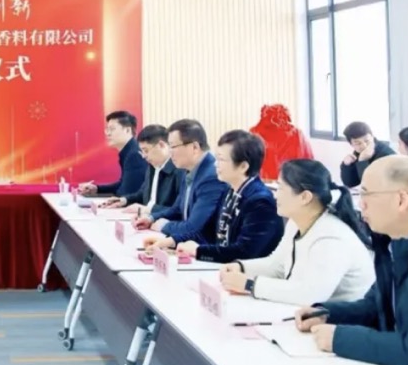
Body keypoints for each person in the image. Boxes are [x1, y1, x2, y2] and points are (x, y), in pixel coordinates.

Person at [296, 156, 408, 365]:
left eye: (366, 194)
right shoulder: (394, 242)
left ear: (401, 200)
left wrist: (341, 339)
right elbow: (378, 306)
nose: (360, 204)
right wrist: (328, 313)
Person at [217, 159, 374, 305]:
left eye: (281, 188)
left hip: (341, 321)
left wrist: (250, 285)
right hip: (311, 314)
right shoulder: (297, 222)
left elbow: (311, 294)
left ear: (305, 197)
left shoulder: (332, 238)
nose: (275, 195)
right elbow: (278, 266)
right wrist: (241, 267)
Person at [174, 130, 283, 263]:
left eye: (221, 159)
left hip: (245, 272)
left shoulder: (260, 202)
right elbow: (208, 232)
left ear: (243, 166)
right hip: (224, 267)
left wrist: (198, 251)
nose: (215, 164)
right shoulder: (229, 190)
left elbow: (244, 252)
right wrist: (172, 241)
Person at [136, 119, 227, 244]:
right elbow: (177, 209)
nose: (170, 152)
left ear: (194, 147)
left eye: (173, 146)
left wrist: (164, 226)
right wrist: (151, 218)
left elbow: (193, 228)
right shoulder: (188, 169)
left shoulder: (211, 176)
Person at [101, 124, 181, 215]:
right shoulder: (152, 167)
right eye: (142, 151)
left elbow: (178, 210)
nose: (143, 156)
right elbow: (143, 194)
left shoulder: (179, 170)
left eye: (146, 151)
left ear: (161, 145)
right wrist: (124, 200)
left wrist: (147, 210)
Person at [80, 111, 146, 197]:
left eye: (112, 129)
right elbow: (122, 184)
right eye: (107, 129)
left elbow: (126, 192)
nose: (108, 133)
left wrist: (101, 198)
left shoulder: (134, 155)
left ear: (127, 130)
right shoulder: (128, 151)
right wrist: (97, 189)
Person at [339, 121, 394, 189]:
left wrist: (362, 161)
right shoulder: (359, 152)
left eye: (367, 141)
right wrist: (347, 165)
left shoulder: (385, 154)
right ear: (351, 144)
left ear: (372, 137)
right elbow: (350, 183)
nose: (364, 145)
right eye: (358, 143)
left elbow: (371, 185)